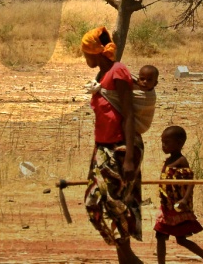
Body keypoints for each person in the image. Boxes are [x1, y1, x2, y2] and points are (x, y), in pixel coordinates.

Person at [81, 26, 145, 264]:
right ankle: (128, 258)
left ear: (95, 53)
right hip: (103, 148)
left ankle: (129, 260)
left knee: (117, 204)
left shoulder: (118, 72)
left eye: (86, 53)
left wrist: (128, 157)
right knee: (95, 203)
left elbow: (127, 115)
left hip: (121, 148)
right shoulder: (101, 76)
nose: (85, 58)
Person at [154, 126, 203, 264]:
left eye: (167, 142)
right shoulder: (168, 161)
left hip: (177, 208)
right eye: (162, 142)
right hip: (166, 207)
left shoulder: (181, 161)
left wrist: (185, 199)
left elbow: (190, 182)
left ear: (179, 143)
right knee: (160, 235)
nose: (163, 145)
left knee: (181, 239)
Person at [89, 64, 158, 135]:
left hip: (140, 125)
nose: (145, 82)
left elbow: (118, 95)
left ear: (155, 83)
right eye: (142, 79)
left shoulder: (149, 97)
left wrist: (104, 91)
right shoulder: (134, 85)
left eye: (149, 80)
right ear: (138, 80)